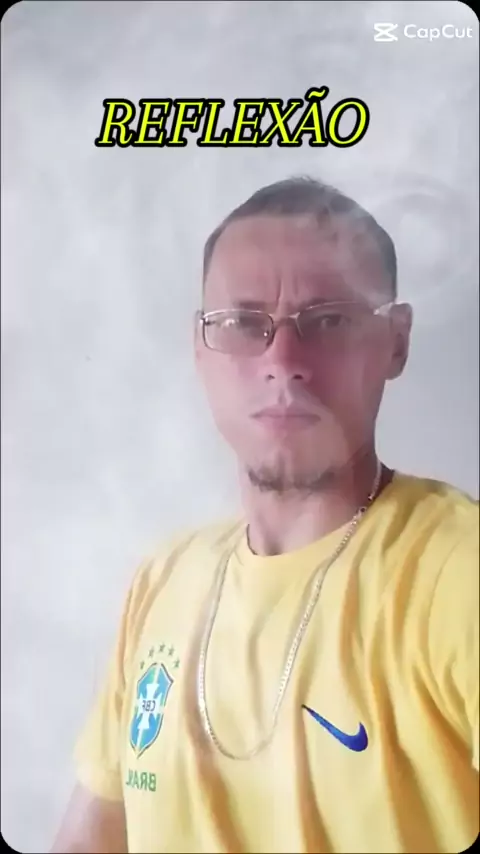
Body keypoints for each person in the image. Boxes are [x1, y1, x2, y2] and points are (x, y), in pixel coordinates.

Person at [51, 176, 479, 854]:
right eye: (244, 324)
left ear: (396, 341)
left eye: (329, 320)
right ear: (200, 346)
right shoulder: (161, 582)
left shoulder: (457, 574)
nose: (284, 361)